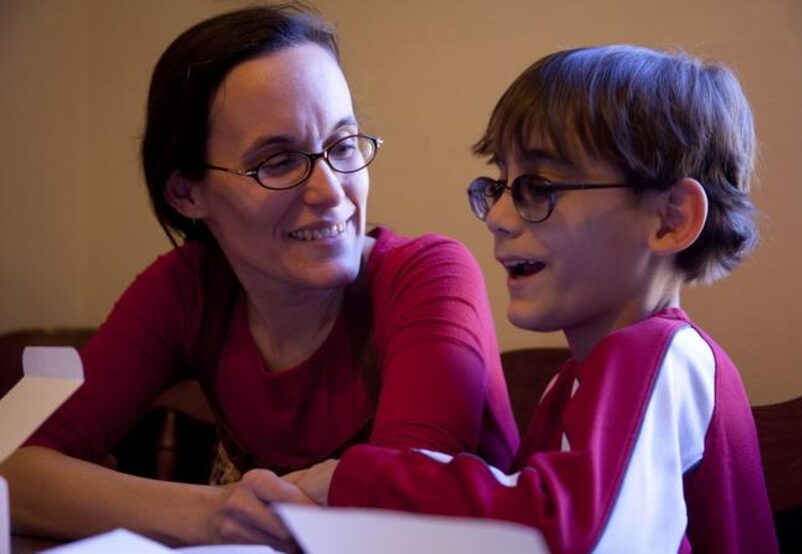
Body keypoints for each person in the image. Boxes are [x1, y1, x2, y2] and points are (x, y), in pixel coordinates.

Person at [0, 3, 519, 548]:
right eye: (278, 162)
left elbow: (395, 516)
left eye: (342, 147)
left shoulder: (429, 276)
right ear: (187, 192)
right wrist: (210, 512)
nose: (331, 192)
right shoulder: (190, 288)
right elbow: (14, 464)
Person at [281, 45, 778, 552]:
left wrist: (361, 480)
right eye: (499, 184)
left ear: (671, 220)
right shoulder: (570, 384)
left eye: (538, 187)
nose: (498, 216)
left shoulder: (663, 358)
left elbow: (580, 535)